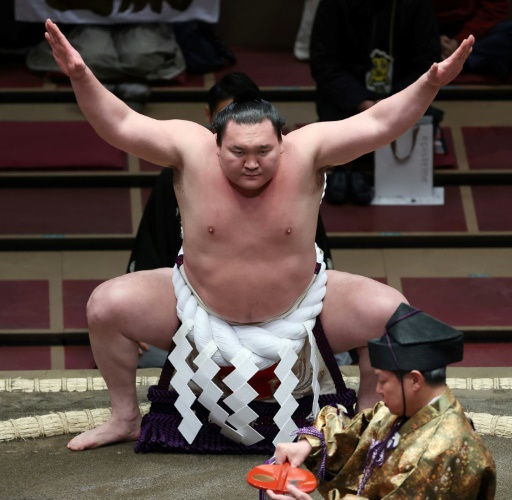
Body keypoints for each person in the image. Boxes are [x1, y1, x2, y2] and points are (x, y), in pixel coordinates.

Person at [43, 18, 474, 452]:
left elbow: (380, 122)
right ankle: (125, 417)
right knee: (105, 306)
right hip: (197, 307)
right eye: (238, 152)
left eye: (263, 151)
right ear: (216, 143)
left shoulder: (308, 151)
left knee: (391, 315)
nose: (252, 163)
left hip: (305, 306)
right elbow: (119, 121)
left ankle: (362, 423)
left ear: (282, 143)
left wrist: (429, 83)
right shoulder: (190, 150)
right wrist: (81, 75)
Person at [130, 71, 334, 368]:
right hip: (194, 313)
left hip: (286, 318)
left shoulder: (295, 175)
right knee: (143, 348)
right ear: (210, 120)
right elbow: (153, 246)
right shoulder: (181, 174)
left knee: (335, 350)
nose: (250, 161)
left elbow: (312, 252)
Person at [266, 303, 496, 499]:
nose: (377, 390)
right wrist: (306, 446)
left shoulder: (445, 452)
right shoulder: (405, 408)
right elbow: (359, 429)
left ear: (415, 380)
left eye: (383, 381)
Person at [309, 0, 442, 205]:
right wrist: (362, 102)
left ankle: (359, 166)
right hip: (350, 97)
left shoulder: (417, 5)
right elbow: (324, 62)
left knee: (424, 105)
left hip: (400, 95)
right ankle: (345, 167)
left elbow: (426, 62)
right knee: (333, 103)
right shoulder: (333, 4)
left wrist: (394, 100)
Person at [432, 0, 512, 81]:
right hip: (433, 34)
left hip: (478, 35)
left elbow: (492, 12)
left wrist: (459, 41)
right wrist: (434, 38)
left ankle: (457, 59)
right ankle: (470, 61)